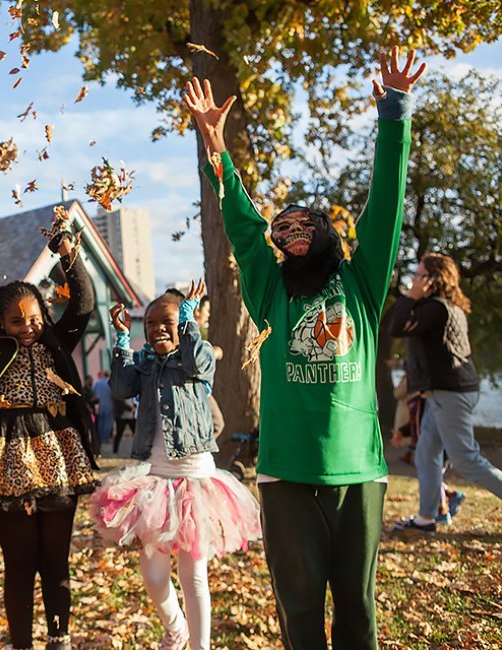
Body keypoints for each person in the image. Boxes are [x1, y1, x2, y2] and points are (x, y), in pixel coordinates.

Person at [184, 45, 426, 649]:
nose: (291, 238)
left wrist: (394, 112)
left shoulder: (362, 283)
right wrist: (217, 152)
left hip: (359, 474)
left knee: (357, 611)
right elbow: (242, 225)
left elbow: (387, 205)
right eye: (282, 233)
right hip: (285, 476)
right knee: (298, 613)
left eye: (303, 229)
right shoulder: (270, 292)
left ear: (328, 240)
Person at [0, 224, 99, 650]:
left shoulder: (55, 342)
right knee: (19, 563)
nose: (28, 327)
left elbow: (84, 301)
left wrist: (65, 249)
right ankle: (22, 644)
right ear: (0, 322)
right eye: (17, 321)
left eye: (33, 318)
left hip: (58, 452)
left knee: (56, 560)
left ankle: (59, 637)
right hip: (5, 456)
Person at [92, 281, 261, 650]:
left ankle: (200, 646)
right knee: (153, 576)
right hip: (154, 481)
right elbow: (120, 388)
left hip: (195, 481)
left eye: (166, 321)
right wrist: (122, 339)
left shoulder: (194, 359)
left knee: (193, 575)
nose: (157, 329)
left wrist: (188, 322)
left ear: (183, 321)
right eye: (150, 324)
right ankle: (176, 629)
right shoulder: (146, 364)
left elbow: (197, 359)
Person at [391, 254, 502, 532]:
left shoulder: (436, 309)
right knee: (426, 454)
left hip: (450, 392)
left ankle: (428, 517)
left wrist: (411, 297)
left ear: (433, 280)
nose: (413, 281)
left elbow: (396, 327)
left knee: (466, 458)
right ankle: (426, 519)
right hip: (444, 393)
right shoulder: (448, 308)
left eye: (418, 275)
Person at [192, 295, 225, 439]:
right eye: (207, 310)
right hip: (194, 386)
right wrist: (213, 352)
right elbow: (195, 357)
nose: (209, 315)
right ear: (197, 311)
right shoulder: (189, 331)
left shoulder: (198, 331)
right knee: (217, 423)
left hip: (201, 386)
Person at [92, 371, 114, 446]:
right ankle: (106, 438)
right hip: (109, 405)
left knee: (100, 422)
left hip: (100, 405)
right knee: (107, 422)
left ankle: (100, 438)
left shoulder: (97, 383)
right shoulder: (110, 383)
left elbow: (93, 393)